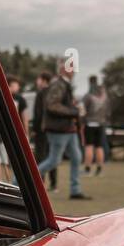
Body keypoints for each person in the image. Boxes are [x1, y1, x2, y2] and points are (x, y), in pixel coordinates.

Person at [38, 60, 88, 199]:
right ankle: (20, 182)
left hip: (66, 129)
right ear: (63, 69)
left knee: (77, 157)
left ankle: (75, 190)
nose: (74, 70)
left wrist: (74, 109)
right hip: (58, 129)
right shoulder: (59, 84)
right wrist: (74, 111)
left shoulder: (64, 84)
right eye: (71, 67)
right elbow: (52, 105)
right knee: (54, 160)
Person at [31, 70, 57, 191]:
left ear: (44, 80)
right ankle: (54, 184)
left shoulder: (41, 94)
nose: (37, 81)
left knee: (41, 156)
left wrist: (35, 129)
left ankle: (41, 183)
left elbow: (38, 113)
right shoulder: (54, 94)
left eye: (39, 79)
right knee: (52, 156)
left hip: (42, 130)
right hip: (53, 129)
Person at [82, 75, 109, 176]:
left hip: (89, 124)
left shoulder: (88, 95)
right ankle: (99, 169)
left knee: (89, 146)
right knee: (99, 147)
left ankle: (87, 169)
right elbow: (107, 110)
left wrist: (82, 120)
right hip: (101, 124)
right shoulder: (104, 96)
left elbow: (82, 110)